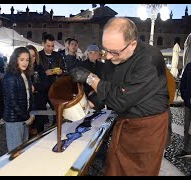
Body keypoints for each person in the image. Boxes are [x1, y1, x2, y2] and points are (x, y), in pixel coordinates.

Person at [70, 17, 169, 176]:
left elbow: (121, 99)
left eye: (113, 52)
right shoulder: (114, 55)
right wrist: (89, 103)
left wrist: (91, 78)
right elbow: (107, 85)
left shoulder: (150, 59)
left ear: (133, 44)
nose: (107, 57)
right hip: (124, 123)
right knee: (114, 168)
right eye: (105, 50)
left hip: (148, 129)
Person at [2, 47, 35, 151]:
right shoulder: (10, 77)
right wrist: (26, 117)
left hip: (23, 118)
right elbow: (12, 102)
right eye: (22, 60)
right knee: (15, 152)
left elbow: (28, 96)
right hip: (14, 120)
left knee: (23, 149)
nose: (25, 62)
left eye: (27, 60)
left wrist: (29, 113)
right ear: (15, 60)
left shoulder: (25, 74)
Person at [26, 45, 48, 136]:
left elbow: (46, 83)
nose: (32, 58)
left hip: (39, 103)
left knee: (39, 132)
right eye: (29, 56)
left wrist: (35, 87)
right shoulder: (22, 69)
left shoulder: (39, 68)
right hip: (26, 105)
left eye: (33, 56)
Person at [80, 44, 105, 111]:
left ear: (98, 54)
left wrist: (97, 89)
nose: (93, 55)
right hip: (87, 91)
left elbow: (103, 79)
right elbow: (81, 80)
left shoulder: (102, 65)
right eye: (90, 53)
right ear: (87, 54)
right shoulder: (82, 65)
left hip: (98, 91)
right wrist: (89, 91)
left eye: (95, 53)